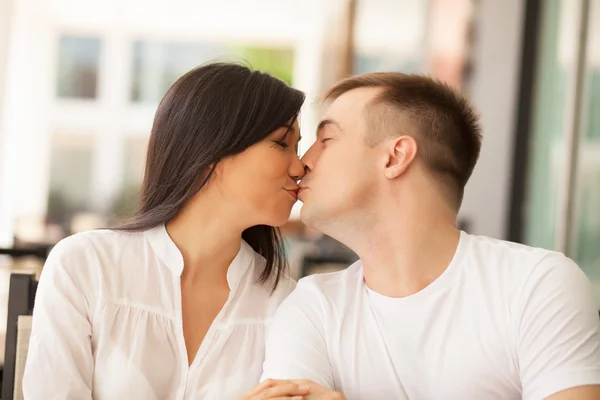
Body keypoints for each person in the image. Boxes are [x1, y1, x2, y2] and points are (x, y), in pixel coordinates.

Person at [261, 72, 600, 399]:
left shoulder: (536, 284)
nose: (303, 163)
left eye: (326, 140)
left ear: (395, 157)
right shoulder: (312, 308)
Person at [23, 63, 313, 400]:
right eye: (282, 143)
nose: (299, 167)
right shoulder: (85, 266)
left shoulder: (284, 301)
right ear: (213, 150)